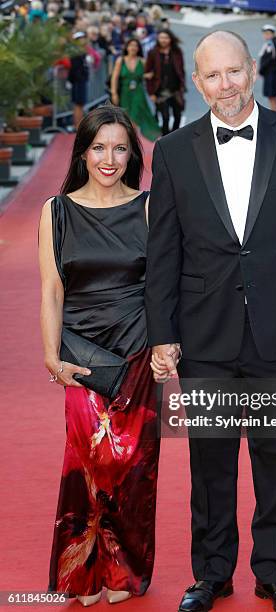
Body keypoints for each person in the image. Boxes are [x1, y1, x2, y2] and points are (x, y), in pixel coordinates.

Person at [145, 31, 276, 612]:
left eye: (233, 72)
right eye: (212, 76)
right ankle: (211, 574)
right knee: (209, 461)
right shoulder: (174, 151)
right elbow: (164, 253)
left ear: (252, 69)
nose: (224, 86)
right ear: (196, 81)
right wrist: (163, 332)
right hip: (204, 333)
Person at [38, 105, 160, 607]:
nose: (108, 158)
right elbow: (51, 289)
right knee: (87, 463)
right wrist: (51, 356)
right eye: (98, 147)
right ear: (83, 151)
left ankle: (123, 572)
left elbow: (165, 286)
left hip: (138, 353)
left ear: (132, 153)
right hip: (82, 358)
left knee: (134, 466)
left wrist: (167, 345)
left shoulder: (151, 206)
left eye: (119, 148)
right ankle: (80, 573)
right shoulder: (57, 210)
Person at [111, 38, 161, 141]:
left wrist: (147, 78)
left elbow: (150, 73)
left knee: (135, 115)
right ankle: (128, 139)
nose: (133, 48)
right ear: (127, 47)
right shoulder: (120, 60)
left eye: (135, 46)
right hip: (124, 93)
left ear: (138, 48)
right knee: (125, 117)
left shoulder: (142, 61)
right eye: (131, 45)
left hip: (138, 92)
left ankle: (133, 139)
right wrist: (114, 93)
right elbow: (114, 77)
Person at [144, 29, 185, 135]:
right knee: (165, 117)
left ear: (170, 39)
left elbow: (181, 70)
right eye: (161, 37)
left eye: (166, 38)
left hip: (175, 90)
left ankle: (175, 136)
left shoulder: (177, 52)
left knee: (177, 115)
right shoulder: (153, 53)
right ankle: (166, 138)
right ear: (158, 39)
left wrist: (182, 86)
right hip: (160, 91)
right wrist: (151, 93)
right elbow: (147, 73)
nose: (163, 40)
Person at [258, 25, 276, 112]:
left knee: (272, 96)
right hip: (271, 73)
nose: (266, 35)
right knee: (272, 97)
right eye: (265, 33)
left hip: (271, 73)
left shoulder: (271, 44)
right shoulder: (271, 43)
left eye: (268, 33)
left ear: (273, 34)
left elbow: (269, 59)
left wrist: (261, 70)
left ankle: (275, 115)